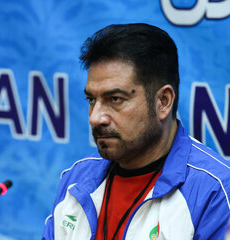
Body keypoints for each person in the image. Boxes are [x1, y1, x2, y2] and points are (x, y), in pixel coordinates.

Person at [42, 23, 230, 240]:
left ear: (163, 101)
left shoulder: (215, 193)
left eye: (115, 99)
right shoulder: (76, 178)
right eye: (91, 100)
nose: (95, 117)